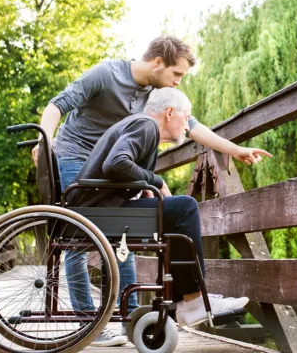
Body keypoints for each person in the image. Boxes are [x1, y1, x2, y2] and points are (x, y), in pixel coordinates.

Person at [38, 36, 268, 347]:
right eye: (177, 75)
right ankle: (87, 323)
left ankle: (130, 317)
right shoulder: (107, 75)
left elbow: (190, 125)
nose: (178, 81)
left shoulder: (157, 97)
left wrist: (235, 149)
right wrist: (44, 143)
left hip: (115, 164)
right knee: (79, 240)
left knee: (122, 239)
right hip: (76, 157)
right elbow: (58, 104)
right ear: (158, 63)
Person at [66, 88, 250, 347]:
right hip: (98, 214)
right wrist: (156, 180)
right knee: (184, 207)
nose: (187, 126)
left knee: (174, 212)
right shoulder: (146, 126)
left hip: (98, 209)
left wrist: (145, 189)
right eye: (186, 118)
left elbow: (119, 169)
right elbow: (116, 163)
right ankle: (191, 299)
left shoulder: (141, 127)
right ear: (170, 112)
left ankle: (182, 300)